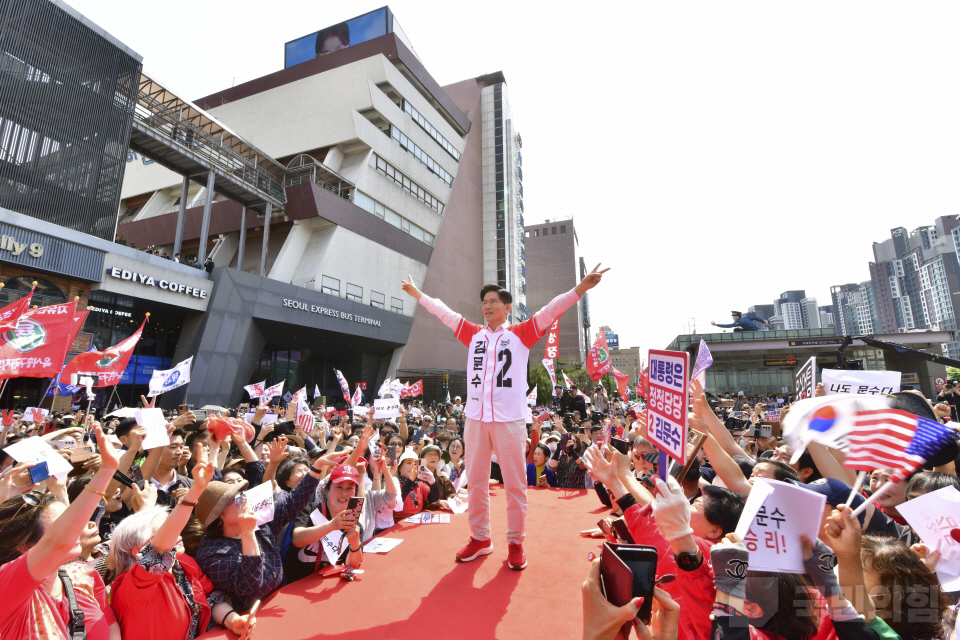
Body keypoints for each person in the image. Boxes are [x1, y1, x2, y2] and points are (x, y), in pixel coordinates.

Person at [401, 263, 608, 569]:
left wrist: (580, 289)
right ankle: (481, 538)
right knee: (477, 483)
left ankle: (515, 542)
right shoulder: (473, 335)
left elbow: (551, 310)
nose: (486, 307)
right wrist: (418, 294)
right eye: (483, 303)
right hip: (475, 418)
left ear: (506, 307)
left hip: (510, 419)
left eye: (492, 302)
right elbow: (443, 313)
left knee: (513, 485)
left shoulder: (521, 333)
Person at [0, 425, 123, 640]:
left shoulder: (82, 574)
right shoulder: (8, 586)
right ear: (26, 547)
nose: (76, 527)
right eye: (61, 527)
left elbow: (112, 628)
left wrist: (60, 490)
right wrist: (105, 472)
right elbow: (58, 543)